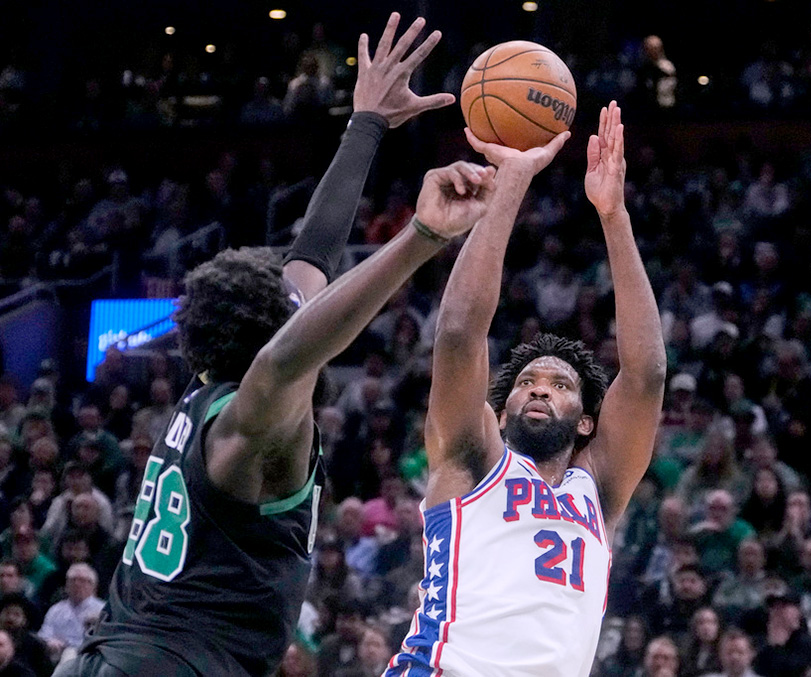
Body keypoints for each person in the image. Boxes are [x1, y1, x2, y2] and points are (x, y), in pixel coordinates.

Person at [58, 14, 488, 677]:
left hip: (113, 653)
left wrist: (366, 124)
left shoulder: (207, 388)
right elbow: (287, 356)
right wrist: (422, 236)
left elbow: (314, 250)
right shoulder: (252, 420)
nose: (305, 296)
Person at [385, 101, 666, 675]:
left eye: (559, 384)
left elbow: (646, 376)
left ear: (586, 421)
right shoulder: (473, 457)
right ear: (500, 408)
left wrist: (614, 216)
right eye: (526, 383)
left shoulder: (598, 491)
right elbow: (458, 333)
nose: (539, 390)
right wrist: (513, 177)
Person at [37, 565, 104, 661]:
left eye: (82, 581)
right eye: (73, 580)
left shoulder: (102, 609)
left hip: (90, 656)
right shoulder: (56, 609)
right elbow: (44, 634)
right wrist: (50, 641)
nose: (77, 584)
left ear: (93, 586)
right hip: (58, 654)